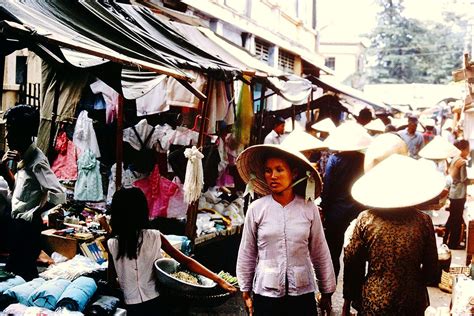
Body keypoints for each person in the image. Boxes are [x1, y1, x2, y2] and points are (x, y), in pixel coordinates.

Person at [236, 144, 336, 316]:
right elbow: (247, 251)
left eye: (279, 170)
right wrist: (245, 289)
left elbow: (319, 251)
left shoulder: (308, 208)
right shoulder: (257, 208)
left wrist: (326, 290)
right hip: (266, 293)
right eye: (268, 171)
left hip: (302, 293)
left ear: (294, 173)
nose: (273, 176)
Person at [107, 187, 236, 315]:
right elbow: (187, 262)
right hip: (156, 303)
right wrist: (220, 280)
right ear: (142, 212)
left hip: (130, 306)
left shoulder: (112, 243)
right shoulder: (155, 236)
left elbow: (112, 280)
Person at [343, 154, 440, 315]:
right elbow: (432, 268)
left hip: (375, 300)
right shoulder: (423, 221)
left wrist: (349, 300)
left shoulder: (366, 219)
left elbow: (353, 264)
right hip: (412, 300)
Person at [0, 105, 66, 281]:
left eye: (10, 131)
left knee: (21, 275)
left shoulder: (37, 161)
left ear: (22, 133)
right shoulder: (22, 158)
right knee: (19, 274)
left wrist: (36, 212)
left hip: (27, 229)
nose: (6, 136)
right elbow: (19, 194)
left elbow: (58, 194)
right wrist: (5, 171)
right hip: (18, 227)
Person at [320, 121, 371, 278]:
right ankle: (349, 300)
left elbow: (327, 187)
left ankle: (327, 293)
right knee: (356, 255)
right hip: (359, 212)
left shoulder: (334, 160)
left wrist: (324, 208)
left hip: (336, 213)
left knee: (332, 253)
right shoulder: (365, 159)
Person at [443, 139, 470, 249]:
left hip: (453, 193)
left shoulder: (454, 159)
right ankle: (453, 244)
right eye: (467, 150)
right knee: (457, 219)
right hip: (459, 194)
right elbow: (464, 179)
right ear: (463, 150)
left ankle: (446, 240)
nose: (468, 152)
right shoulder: (462, 162)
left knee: (452, 218)